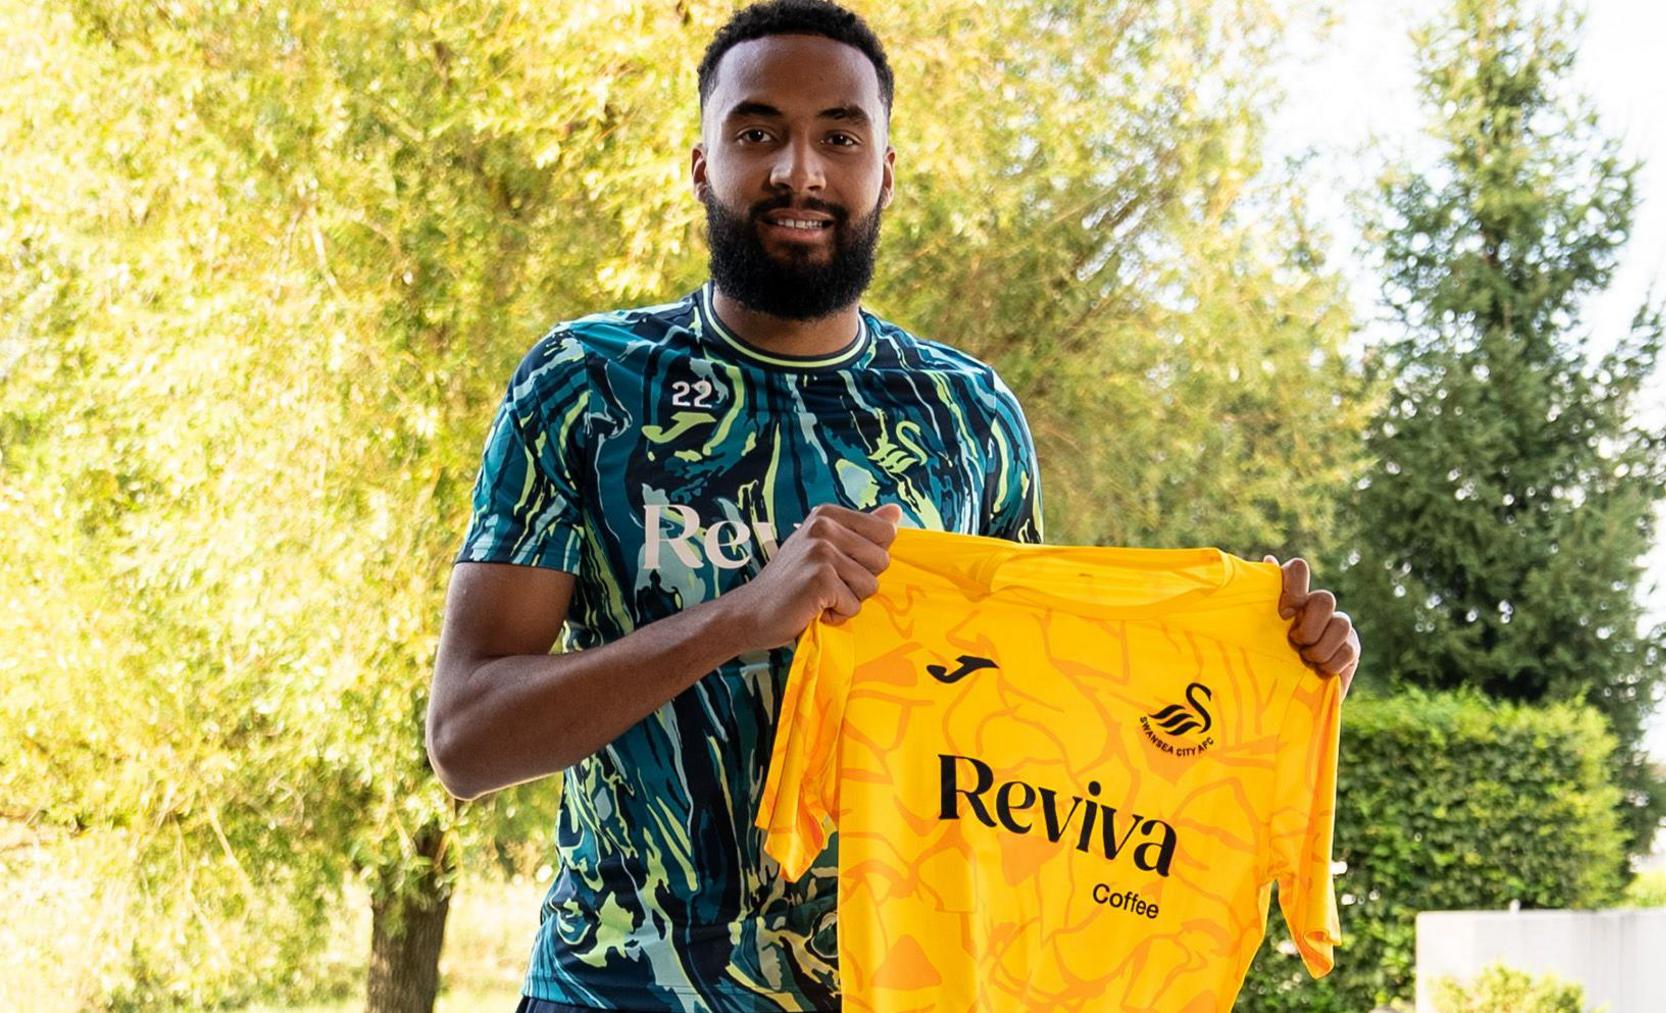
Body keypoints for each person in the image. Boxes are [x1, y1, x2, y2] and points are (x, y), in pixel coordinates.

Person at [424, 2, 1361, 1010]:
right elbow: (467, 739)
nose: (799, 171)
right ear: (700, 163)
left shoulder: (969, 417)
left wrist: (1259, 672)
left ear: (884, 171)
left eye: (839, 135)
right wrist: (738, 618)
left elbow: (1040, 751)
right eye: (756, 133)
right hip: (613, 991)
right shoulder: (582, 387)